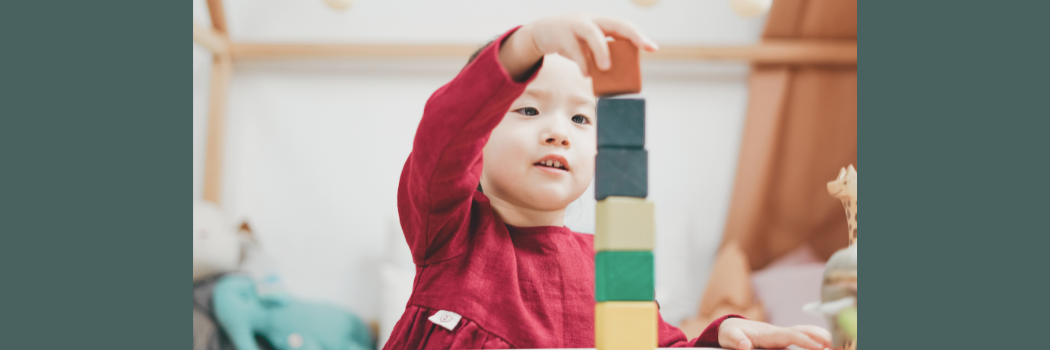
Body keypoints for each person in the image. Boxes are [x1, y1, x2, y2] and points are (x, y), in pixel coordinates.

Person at [386, 14, 832, 350]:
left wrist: (719, 337)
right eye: (528, 109)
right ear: (478, 135)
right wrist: (531, 42)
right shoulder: (448, 236)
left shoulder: (613, 263)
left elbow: (657, 344)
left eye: (581, 117)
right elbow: (444, 132)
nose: (558, 131)